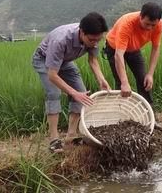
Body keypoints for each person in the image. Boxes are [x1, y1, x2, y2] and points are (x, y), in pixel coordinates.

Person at [32, 12, 111, 152]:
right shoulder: (61, 40)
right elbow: (52, 75)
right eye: (92, 40)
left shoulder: (94, 37)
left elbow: (92, 60)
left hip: (65, 61)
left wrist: (101, 80)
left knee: (82, 93)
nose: (95, 43)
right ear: (82, 32)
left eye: (98, 40)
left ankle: (71, 135)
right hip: (44, 60)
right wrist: (73, 93)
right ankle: (54, 140)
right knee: (53, 93)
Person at [104, 2, 162, 106]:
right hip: (114, 48)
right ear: (140, 16)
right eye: (147, 24)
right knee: (121, 83)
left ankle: (149, 115)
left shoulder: (159, 25)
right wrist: (125, 82)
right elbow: (118, 55)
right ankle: (122, 114)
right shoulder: (127, 23)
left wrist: (150, 74)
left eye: (153, 25)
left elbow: (156, 48)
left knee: (144, 80)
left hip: (134, 49)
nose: (149, 28)